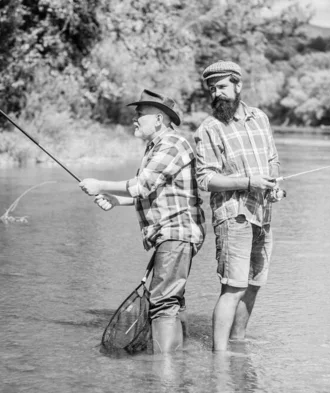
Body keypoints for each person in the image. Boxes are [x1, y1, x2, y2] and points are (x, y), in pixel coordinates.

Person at [79, 89, 206, 354]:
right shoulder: (156, 147)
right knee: (172, 301)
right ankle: (176, 364)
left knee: (162, 302)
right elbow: (153, 193)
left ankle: (163, 370)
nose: (134, 119)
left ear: (159, 119)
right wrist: (116, 199)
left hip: (175, 233)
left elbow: (143, 183)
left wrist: (99, 183)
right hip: (171, 234)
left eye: (140, 114)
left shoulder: (172, 143)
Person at [193, 60, 283, 352]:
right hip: (233, 217)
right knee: (234, 287)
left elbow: (272, 160)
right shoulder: (209, 128)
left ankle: (238, 346)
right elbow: (205, 179)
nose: (216, 93)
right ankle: (219, 357)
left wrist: (275, 185)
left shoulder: (260, 118)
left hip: (263, 214)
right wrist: (248, 181)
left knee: (254, 284)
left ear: (238, 85)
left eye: (221, 86)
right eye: (212, 88)